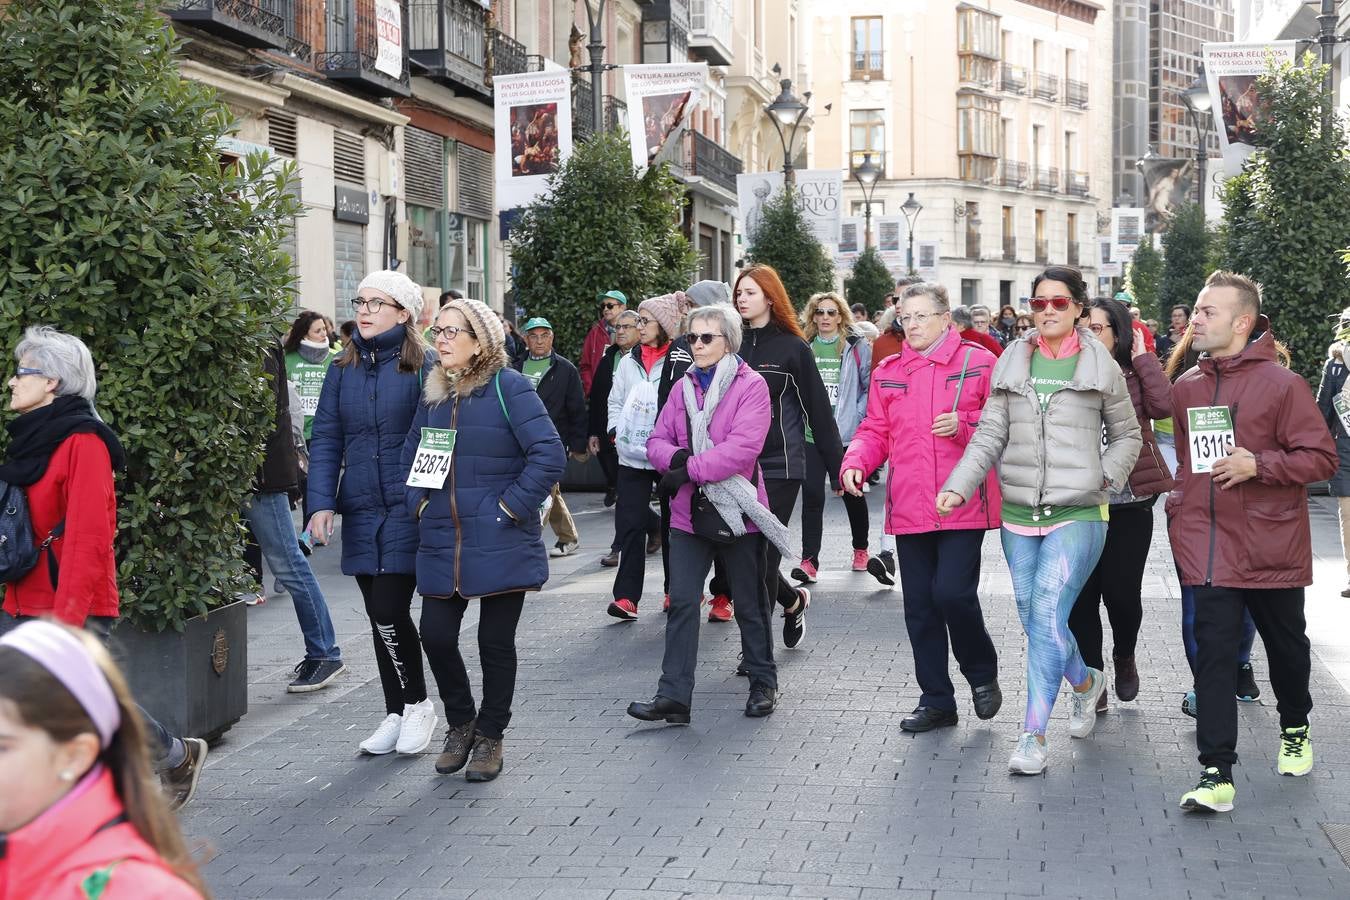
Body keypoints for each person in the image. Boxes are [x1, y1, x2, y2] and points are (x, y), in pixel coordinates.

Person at [938, 265, 1141, 775]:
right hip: (1019, 513)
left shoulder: (1103, 368)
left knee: (1049, 614)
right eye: (1038, 303)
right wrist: (959, 485)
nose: (1047, 311)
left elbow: (1129, 437)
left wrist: (1106, 479)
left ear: (1078, 309)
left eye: (1058, 303)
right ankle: (1085, 681)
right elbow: (988, 435)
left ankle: (1033, 735)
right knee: (1034, 616)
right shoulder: (1012, 361)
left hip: (1079, 511)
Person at [0, 326, 208, 810]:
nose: (12, 381)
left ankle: (170, 757)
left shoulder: (84, 442)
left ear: (52, 380)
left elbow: (90, 538)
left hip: (69, 601)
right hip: (22, 595)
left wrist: (67, 623)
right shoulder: (28, 441)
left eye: (21, 371)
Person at [1170, 272, 1335, 813]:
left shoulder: (1283, 385)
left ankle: (1295, 725)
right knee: (1213, 658)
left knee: (1287, 650)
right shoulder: (1188, 386)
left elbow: (1321, 459)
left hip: (1270, 549)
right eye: (1196, 310)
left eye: (1207, 312)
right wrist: (1180, 508)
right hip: (1209, 546)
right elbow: (1192, 467)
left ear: (1242, 322)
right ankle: (1216, 772)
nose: (1195, 319)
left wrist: (1257, 464)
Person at [403, 298, 564, 783]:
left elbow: (549, 454)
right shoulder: (433, 394)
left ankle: (491, 734)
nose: (442, 340)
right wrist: (419, 504)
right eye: (439, 332)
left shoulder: (507, 387)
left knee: (494, 641)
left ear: (481, 343)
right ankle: (461, 722)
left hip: (499, 536)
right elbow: (413, 454)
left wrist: (508, 508)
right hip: (442, 538)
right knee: (434, 634)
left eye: (454, 332)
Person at [842, 282, 1003, 732]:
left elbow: (1004, 425)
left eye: (921, 316)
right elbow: (874, 429)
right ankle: (936, 700)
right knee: (919, 606)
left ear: (945, 318)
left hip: (961, 502)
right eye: (904, 317)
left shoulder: (979, 362)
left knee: (952, 593)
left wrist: (965, 423)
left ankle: (981, 671)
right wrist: (855, 462)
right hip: (910, 504)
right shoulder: (889, 370)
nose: (911, 325)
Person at [628, 305, 792, 723]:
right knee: (682, 602)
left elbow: (742, 450)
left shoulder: (750, 386)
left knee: (751, 602)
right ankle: (674, 697)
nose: (696, 345)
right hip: (688, 511)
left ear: (728, 342)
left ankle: (763, 682)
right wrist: (679, 457)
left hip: (738, 510)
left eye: (706, 338)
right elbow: (656, 441)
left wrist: (687, 469)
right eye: (691, 338)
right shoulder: (682, 387)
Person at [307, 270, 440, 757]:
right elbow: (326, 438)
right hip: (361, 506)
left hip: (407, 508)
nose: (363, 310)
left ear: (403, 313)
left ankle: (421, 704)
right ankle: (396, 708)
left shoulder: (425, 363)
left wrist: (422, 495)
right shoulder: (342, 368)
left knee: (389, 608)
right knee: (376, 613)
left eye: (376, 303)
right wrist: (320, 502)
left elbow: (439, 435)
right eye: (360, 301)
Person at [0, 621, 207, 898]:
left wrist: (64, 624)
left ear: (74, 756)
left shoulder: (131, 889)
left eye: (3, 747)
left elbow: (83, 577)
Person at [1067, 297, 1172, 714]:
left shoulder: (1134, 371)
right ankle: (1093, 679)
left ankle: (1124, 654)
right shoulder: (1065, 370)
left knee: (1122, 595)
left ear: (1117, 333)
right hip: (1078, 501)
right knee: (1081, 597)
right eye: (1084, 327)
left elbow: (1165, 407)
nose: (1090, 335)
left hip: (1130, 501)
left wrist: (1144, 357)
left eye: (1099, 328)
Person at [733, 264, 844, 650]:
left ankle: (755, 655)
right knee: (742, 562)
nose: (741, 299)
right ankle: (794, 600)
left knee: (759, 559)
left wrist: (838, 470)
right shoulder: (728, 344)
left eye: (749, 292)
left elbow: (819, 412)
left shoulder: (794, 347)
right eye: (739, 293)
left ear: (769, 297)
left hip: (779, 466)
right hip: (733, 469)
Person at [605, 292, 695, 619]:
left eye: (645, 321)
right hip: (631, 456)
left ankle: (675, 590)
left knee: (675, 524)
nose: (639, 327)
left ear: (665, 325)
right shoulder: (627, 361)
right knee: (629, 522)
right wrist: (615, 430)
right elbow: (615, 401)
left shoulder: (681, 359)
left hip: (667, 455)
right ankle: (627, 597)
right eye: (638, 321)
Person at [794, 292, 873, 583]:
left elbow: (868, 385)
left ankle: (861, 549)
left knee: (852, 492)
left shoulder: (855, 346)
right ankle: (809, 560)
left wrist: (857, 414)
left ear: (840, 316)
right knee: (812, 496)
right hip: (811, 434)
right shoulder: (804, 346)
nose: (825, 317)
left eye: (831, 312)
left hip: (845, 434)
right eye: (820, 312)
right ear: (813, 316)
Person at [514, 317, 587, 558]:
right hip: (518, 439)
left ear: (552, 337)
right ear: (525, 339)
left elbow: (576, 408)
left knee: (544, 489)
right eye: (533, 336)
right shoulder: (514, 367)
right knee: (549, 490)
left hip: (551, 439)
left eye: (544, 335)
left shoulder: (565, 369)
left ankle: (529, 542)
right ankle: (568, 537)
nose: (539, 341)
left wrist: (578, 444)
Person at [589, 310, 656, 566]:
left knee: (625, 496)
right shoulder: (609, 360)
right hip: (614, 436)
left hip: (643, 440)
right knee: (624, 494)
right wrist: (596, 432)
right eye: (617, 327)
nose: (620, 331)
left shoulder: (643, 358)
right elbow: (600, 400)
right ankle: (655, 526)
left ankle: (619, 547)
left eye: (626, 326)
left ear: (639, 329)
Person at [283, 310, 340, 525]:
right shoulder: (288, 358)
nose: (324, 334)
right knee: (295, 486)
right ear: (304, 335)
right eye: (317, 330)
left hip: (322, 432)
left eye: (324, 328)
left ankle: (309, 532)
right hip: (295, 434)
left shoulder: (335, 358)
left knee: (315, 485)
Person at [1317, 307, 1350, 598]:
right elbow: (1324, 408)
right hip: (1345, 446)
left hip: (1343, 444)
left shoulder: (1335, 364)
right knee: (1348, 512)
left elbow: (1322, 410)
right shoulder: (1336, 365)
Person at [580, 290, 628, 395]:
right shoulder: (595, 332)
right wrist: (591, 389)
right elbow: (585, 365)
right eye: (603, 306)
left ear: (622, 307)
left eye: (610, 305)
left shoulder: (635, 331)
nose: (606, 309)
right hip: (600, 396)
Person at [871, 277, 923, 371]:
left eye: (904, 299)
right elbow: (874, 384)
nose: (898, 305)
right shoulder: (881, 344)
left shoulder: (937, 341)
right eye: (895, 300)